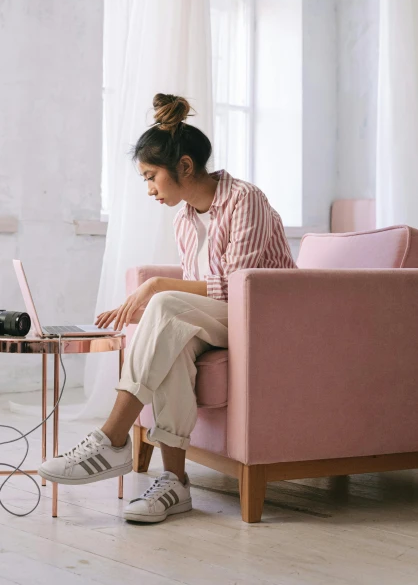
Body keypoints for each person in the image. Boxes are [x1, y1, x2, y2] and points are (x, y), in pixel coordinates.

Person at [38, 93, 297, 523]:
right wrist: (160, 302)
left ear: (185, 167)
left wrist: (160, 288)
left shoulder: (245, 200)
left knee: (165, 305)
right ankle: (175, 484)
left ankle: (112, 437)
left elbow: (239, 289)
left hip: (268, 317)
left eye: (151, 176)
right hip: (225, 319)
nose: (149, 188)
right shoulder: (183, 219)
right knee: (171, 337)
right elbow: (206, 295)